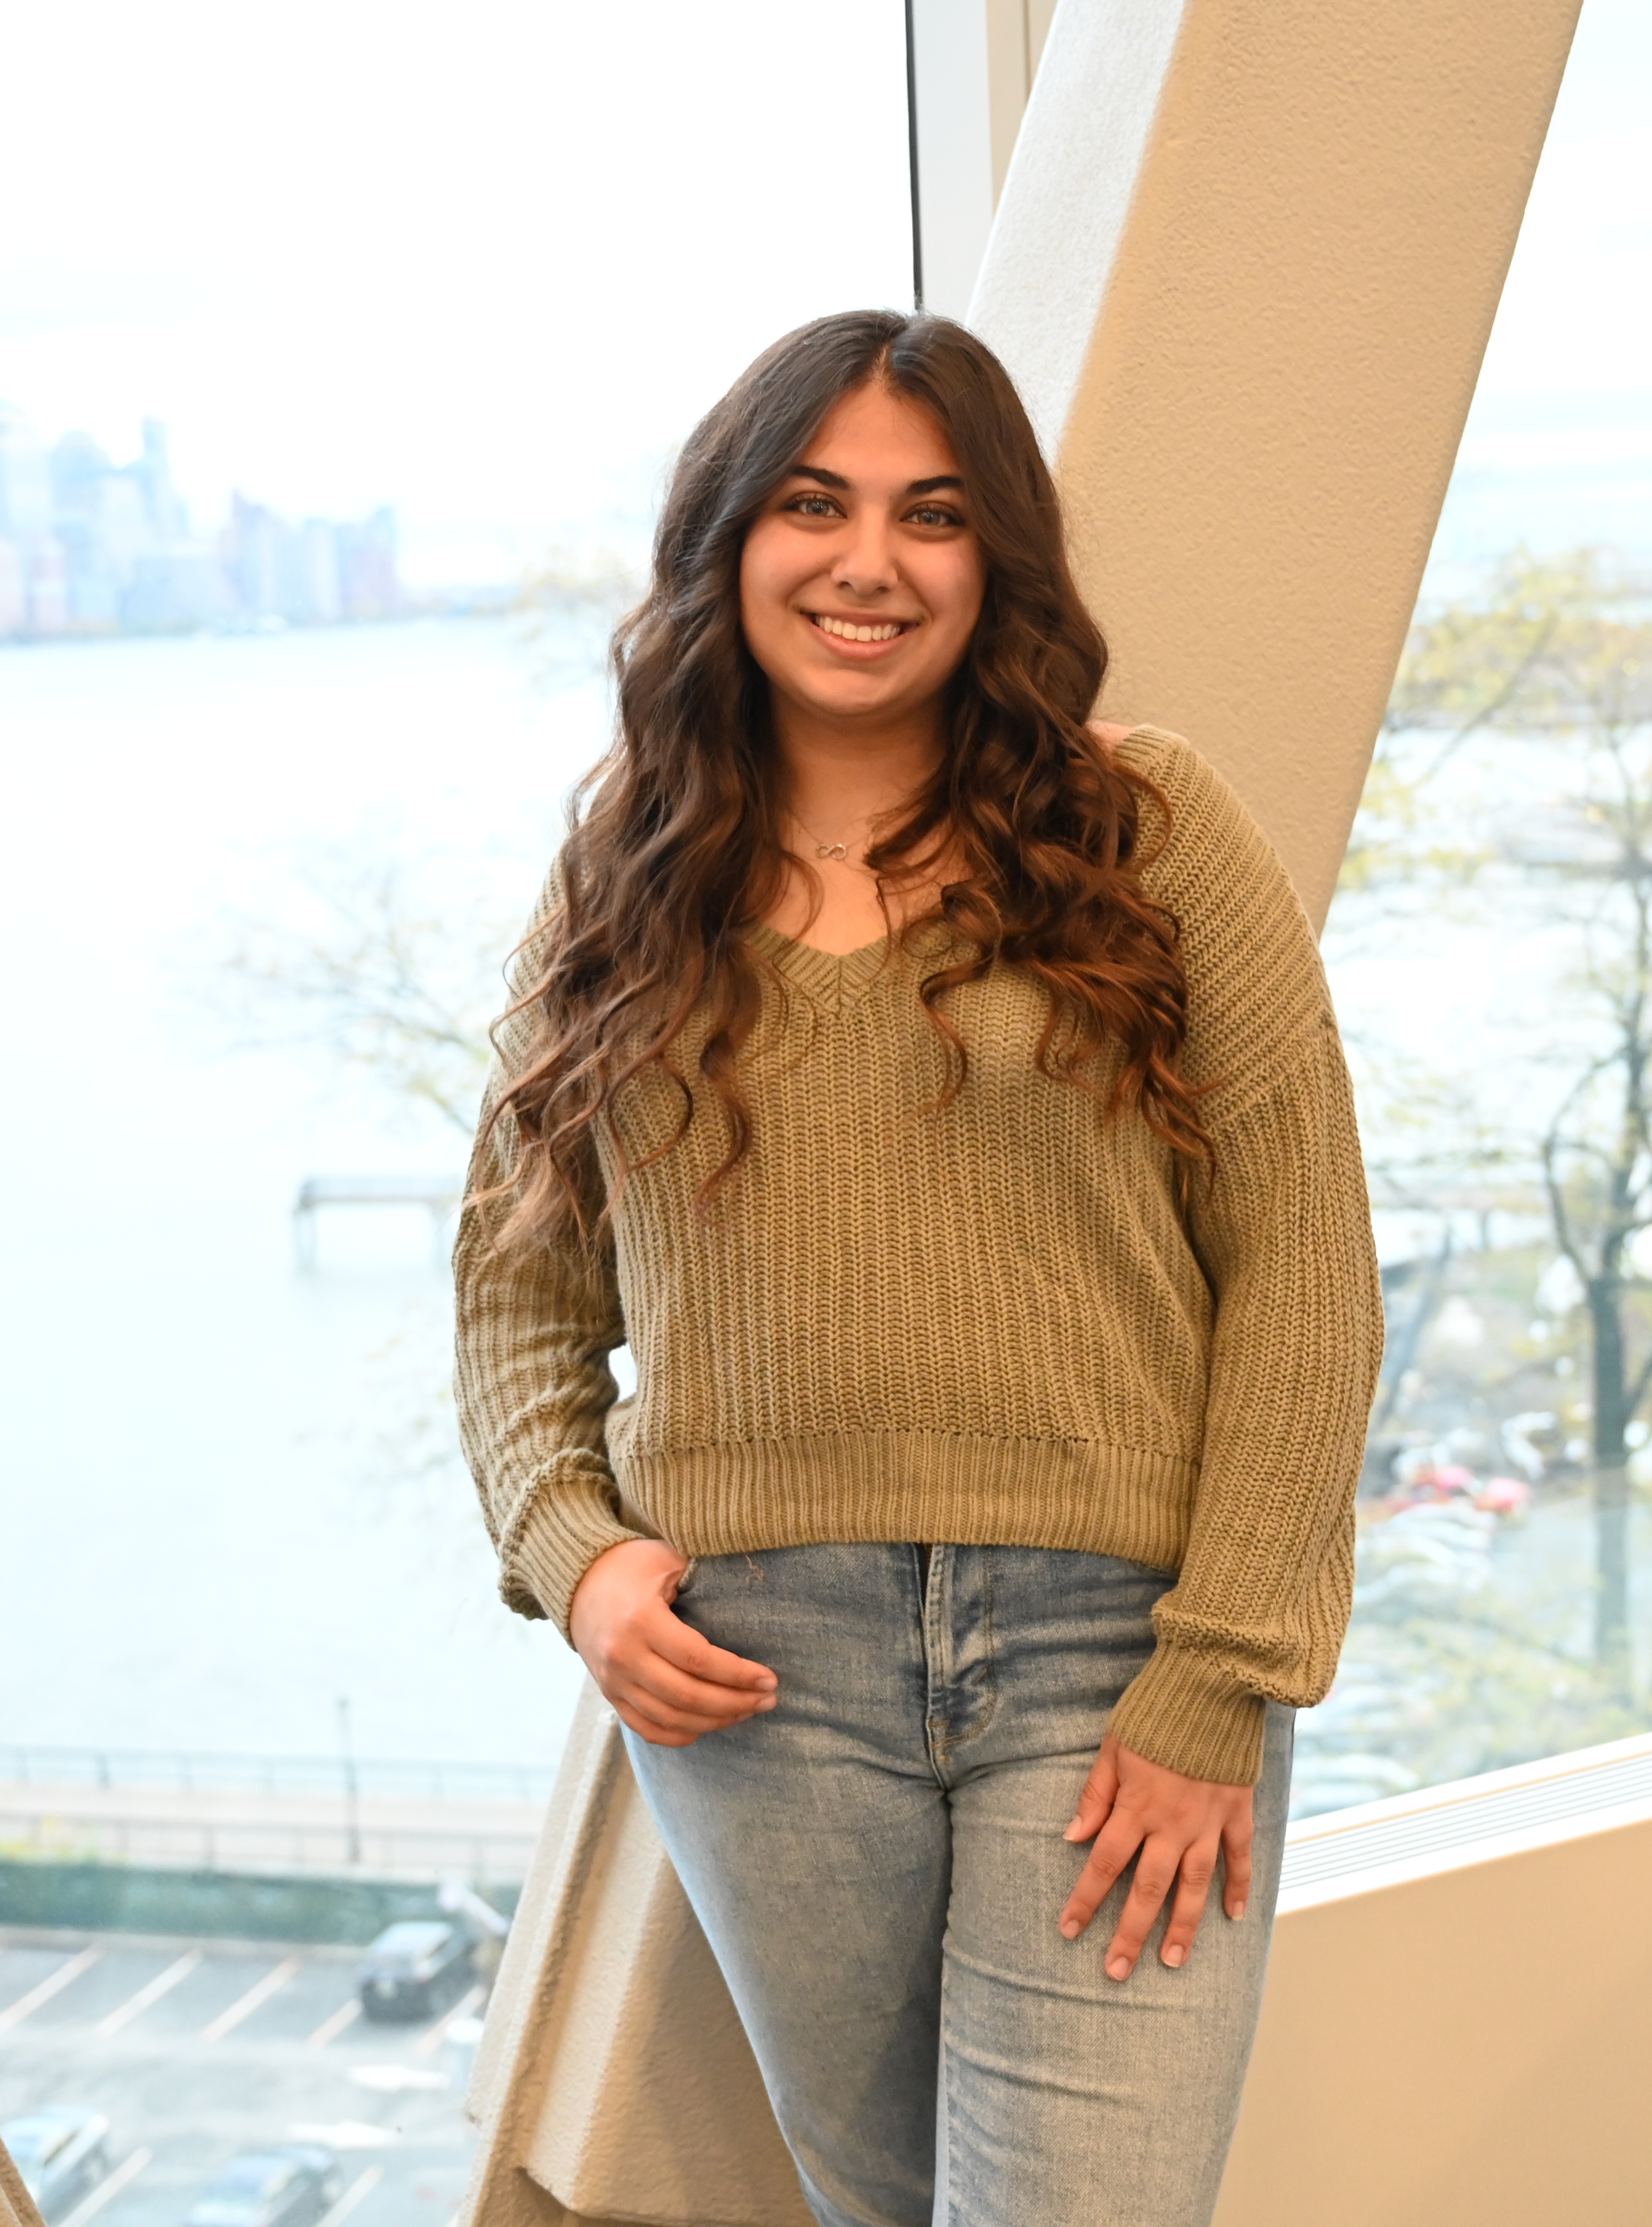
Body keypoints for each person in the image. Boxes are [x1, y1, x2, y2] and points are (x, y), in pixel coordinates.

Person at [453, 308, 1380, 2227]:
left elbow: (1307, 1273)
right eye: (815, 504)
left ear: (996, 563)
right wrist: (580, 1557)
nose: (869, 561)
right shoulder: (623, 878)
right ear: (730, 539)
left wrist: (1218, 1682)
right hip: (757, 1678)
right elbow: (516, 1293)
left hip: (1110, 1661)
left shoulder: (1152, 833)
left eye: (931, 514)